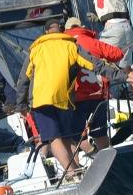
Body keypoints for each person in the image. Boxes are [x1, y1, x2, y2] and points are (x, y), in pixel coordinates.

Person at [16, 18, 95, 179]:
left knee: (53, 138)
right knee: (65, 136)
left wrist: (21, 104)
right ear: (61, 30)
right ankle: (77, 170)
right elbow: (93, 63)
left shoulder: (36, 49)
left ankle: (72, 172)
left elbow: (24, 79)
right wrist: (117, 73)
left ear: (45, 32)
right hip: (64, 99)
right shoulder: (71, 45)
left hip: (41, 100)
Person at [64, 17, 125, 152]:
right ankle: (107, 159)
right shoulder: (94, 42)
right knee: (100, 132)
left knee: (73, 135)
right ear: (82, 27)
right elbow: (118, 54)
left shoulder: (65, 45)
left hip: (76, 98)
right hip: (98, 96)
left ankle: (79, 165)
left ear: (66, 30)